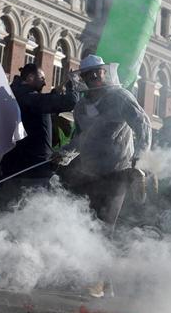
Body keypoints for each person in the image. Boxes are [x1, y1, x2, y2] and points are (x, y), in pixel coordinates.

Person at [57, 55, 151, 228]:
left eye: (97, 72)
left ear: (104, 72)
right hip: (89, 172)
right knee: (85, 224)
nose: (94, 76)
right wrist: (64, 153)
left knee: (105, 224)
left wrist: (139, 155)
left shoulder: (120, 97)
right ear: (82, 78)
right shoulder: (80, 107)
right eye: (89, 74)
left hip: (117, 171)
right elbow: (81, 138)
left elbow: (143, 124)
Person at [1, 65, 78, 179]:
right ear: (30, 77)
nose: (45, 83)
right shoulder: (29, 98)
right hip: (33, 169)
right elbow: (70, 102)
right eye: (42, 78)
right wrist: (73, 85)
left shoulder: (16, 94)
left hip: (16, 166)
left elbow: (40, 105)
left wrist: (55, 92)